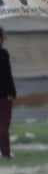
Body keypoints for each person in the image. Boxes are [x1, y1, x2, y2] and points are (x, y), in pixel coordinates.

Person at [0, 26, 15, 159]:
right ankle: (5, 152)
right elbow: (7, 75)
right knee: (4, 125)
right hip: (3, 95)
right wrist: (12, 92)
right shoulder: (3, 54)